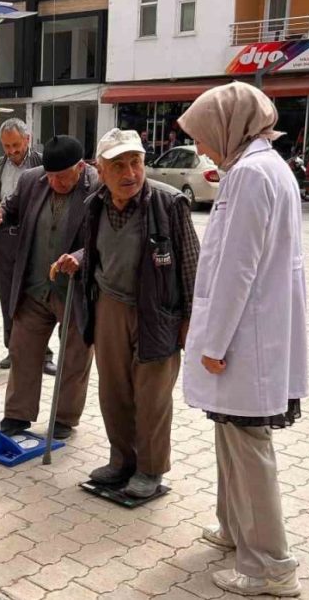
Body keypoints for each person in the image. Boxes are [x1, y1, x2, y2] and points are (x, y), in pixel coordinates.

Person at [177, 82, 307, 597]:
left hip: (242, 340)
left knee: (249, 449)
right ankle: (236, 530)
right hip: (249, 335)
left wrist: (213, 343)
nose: (204, 148)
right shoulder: (262, 167)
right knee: (230, 440)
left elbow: (237, 268)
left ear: (229, 127)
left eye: (205, 137)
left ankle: (270, 566)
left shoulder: (252, 174)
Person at [72, 128, 199, 499]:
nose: (129, 173)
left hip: (157, 310)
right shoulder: (94, 203)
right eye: (118, 166)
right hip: (109, 306)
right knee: (113, 391)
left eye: (135, 163)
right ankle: (121, 460)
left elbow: (192, 264)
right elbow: (95, 253)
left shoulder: (169, 203)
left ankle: (150, 468)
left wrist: (190, 319)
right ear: (100, 170)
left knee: (152, 396)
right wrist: (77, 262)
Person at [0, 136, 99, 440]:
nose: (54, 182)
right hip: (34, 288)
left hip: (75, 291)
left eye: (62, 176)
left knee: (74, 357)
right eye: (50, 176)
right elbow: (10, 208)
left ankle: (64, 418)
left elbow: (105, 237)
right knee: (23, 351)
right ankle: (18, 414)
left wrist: (81, 257)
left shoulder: (96, 186)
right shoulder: (33, 180)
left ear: (80, 167)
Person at [0, 118, 56, 375]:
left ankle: (43, 354)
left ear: (27, 139)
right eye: (6, 146)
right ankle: (13, 350)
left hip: (36, 239)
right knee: (8, 296)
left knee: (37, 295)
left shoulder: (43, 164)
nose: (11, 151)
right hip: (6, 240)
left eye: (15, 145)